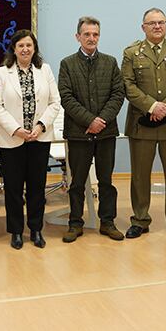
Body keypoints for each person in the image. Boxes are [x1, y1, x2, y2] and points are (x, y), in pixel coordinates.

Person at [121, 7, 166, 239]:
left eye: (161, 22)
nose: (157, 26)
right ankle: (140, 220)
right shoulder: (132, 52)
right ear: (143, 27)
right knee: (140, 176)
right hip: (142, 123)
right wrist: (152, 106)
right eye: (151, 23)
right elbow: (128, 85)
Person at [0, 29, 61, 249]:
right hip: (12, 139)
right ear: (14, 48)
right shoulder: (3, 73)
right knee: (13, 188)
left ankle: (36, 230)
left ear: (34, 48)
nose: (25, 49)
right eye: (20, 45)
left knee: (37, 187)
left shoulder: (45, 70)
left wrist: (40, 127)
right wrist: (17, 129)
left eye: (29, 45)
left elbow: (54, 102)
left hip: (39, 138)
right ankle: (16, 232)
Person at [58, 16, 125, 243]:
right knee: (77, 182)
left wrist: (101, 120)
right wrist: (89, 121)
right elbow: (66, 97)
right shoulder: (67, 64)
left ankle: (108, 222)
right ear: (78, 37)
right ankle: (75, 223)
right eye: (86, 34)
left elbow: (118, 94)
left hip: (106, 133)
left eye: (95, 34)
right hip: (79, 133)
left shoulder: (110, 62)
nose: (91, 38)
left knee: (106, 180)